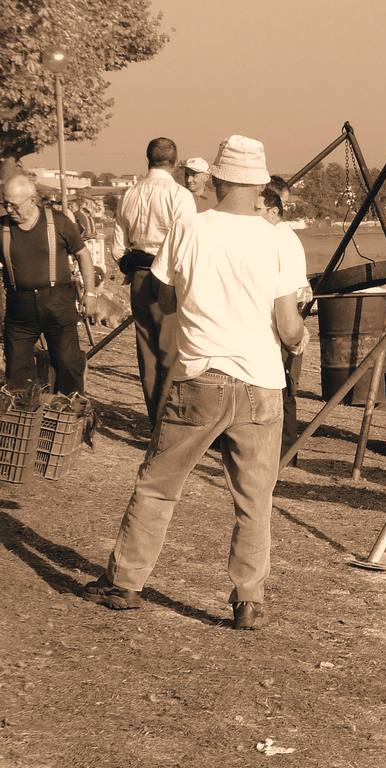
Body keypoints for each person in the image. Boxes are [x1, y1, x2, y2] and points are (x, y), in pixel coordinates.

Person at [84, 135, 309, 631]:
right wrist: (299, 340)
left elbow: (165, 295)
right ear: (259, 184)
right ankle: (249, 600)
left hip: (199, 375)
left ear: (218, 180)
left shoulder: (191, 227)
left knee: (160, 485)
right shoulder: (281, 239)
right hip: (260, 382)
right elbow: (288, 325)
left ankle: (125, 583)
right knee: (254, 499)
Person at [113, 137, 197, 428]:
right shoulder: (180, 195)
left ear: (147, 159)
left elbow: (117, 248)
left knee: (147, 351)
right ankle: (166, 423)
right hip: (169, 278)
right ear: (175, 162)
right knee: (171, 353)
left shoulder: (129, 194)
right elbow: (188, 246)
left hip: (138, 276)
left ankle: (155, 420)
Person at [1, 175, 95, 394]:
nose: (9, 209)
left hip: (58, 303)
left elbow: (83, 254)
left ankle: (68, 415)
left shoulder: (59, 222)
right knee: (17, 370)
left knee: (67, 364)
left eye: (14, 205)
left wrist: (90, 294)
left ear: (32, 200)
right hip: (20, 308)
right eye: (4, 203)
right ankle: (22, 418)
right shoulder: (2, 228)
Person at [259, 187, 311, 463]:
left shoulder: (281, 239)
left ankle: (286, 451)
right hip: (278, 311)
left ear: (274, 211)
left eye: (259, 211)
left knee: (283, 384)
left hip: (286, 311)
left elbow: (289, 286)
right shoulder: (269, 236)